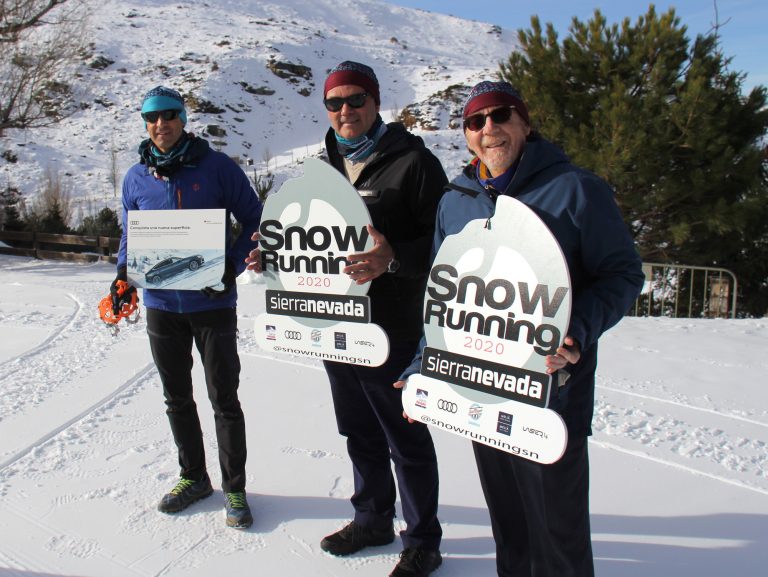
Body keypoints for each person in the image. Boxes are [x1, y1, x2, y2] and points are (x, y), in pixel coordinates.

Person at [396, 81, 644, 577]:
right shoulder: (457, 200)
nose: (489, 128)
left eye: (501, 115)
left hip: (552, 390)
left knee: (558, 531)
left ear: (525, 124)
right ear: (467, 136)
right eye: (475, 121)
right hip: (481, 390)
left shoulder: (575, 189)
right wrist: (425, 362)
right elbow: (444, 295)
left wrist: (576, 329)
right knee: (508, 524)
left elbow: (622, 275)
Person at [245, 61, 447, 577]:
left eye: (355, 100)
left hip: (394, 330)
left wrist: (394, 258)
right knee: (358, 430)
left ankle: (422, 539)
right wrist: (274, 260)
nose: (345, 111)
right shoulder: (324, 168)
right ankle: (372, 517)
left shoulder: (414, 164)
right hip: (337, 326)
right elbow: (306, 236)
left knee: (406, 438)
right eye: (334, 103)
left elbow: (448, 251)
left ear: (376, 102)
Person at [112, 86, 262, 529]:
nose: (162, 124)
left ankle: (234, 488)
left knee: (224, 399)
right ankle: (193, 477)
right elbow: (128, 234)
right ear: (145, 123)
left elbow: (254, 221)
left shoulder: (216, 168)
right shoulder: (136, 177)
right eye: (153, 117)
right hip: (161, 306)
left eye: (170, 115)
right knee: (176, 397)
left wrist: (229, 269)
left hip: (212, 303)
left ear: (183, 118)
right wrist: (123, 275)